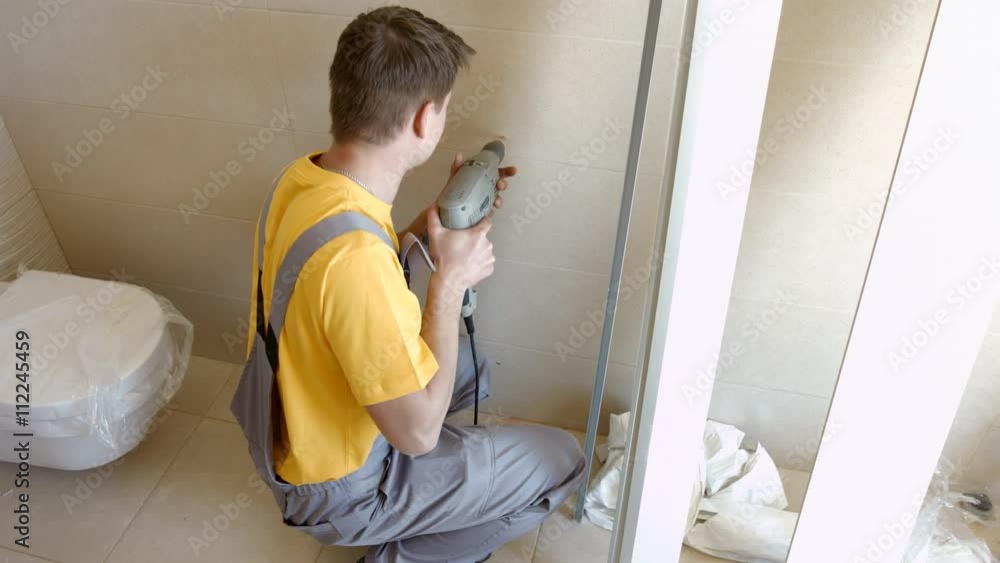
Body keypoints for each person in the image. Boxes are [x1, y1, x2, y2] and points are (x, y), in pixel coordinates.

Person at [230, 5, 586, 563]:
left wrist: (429, 227)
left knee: (470, 372)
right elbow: (417, 436)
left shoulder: (307, 179)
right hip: (337, 490)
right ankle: (400, 551)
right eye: (443, 110)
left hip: (292, 429)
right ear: (424, 119)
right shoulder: (356, 263)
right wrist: (448, 287)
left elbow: (334, 278)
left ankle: (428, 497)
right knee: (561, 459)